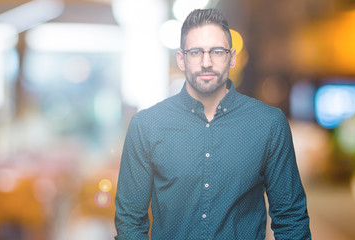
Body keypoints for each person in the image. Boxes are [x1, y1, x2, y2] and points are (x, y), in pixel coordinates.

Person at [114, 8, 311, 240]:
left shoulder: (269, 124)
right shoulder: (146, 126)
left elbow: (291, 218)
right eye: (196, 52)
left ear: (232, 57)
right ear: (181, 59)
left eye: (217, 51)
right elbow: (130, 220)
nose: (206, 62)